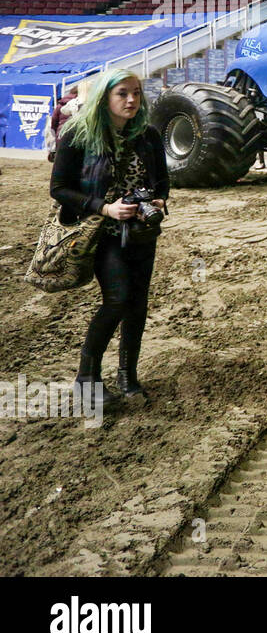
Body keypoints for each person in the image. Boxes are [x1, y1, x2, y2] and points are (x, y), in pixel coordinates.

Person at [49, 70, 169, 409]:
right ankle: (86, 381)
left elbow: (162, 180)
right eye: (122, 93)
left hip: (142, 233)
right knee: (117, 299)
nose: (131, 100)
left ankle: (128, 377)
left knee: (138, 305)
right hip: (100, 233)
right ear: (105, 97)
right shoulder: (78, 133)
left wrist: (159, 200)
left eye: (136, 93)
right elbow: (58, 189)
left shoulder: (148, 134)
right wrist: (104, 207)